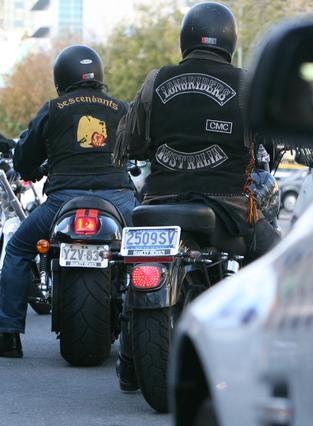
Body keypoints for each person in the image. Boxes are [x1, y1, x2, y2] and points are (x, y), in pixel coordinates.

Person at [113, 2, 281, 390]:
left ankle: (128, 361)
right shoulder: (246, 83)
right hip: (229, 207)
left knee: (132, 269)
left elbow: (130, 140)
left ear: (186, 37)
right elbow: (269, 142)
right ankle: (269, 358)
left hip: (160, 202)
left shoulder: (157, 80)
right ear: (229, 38)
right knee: (279, 264)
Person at [0, 45, 137, 358]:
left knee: (19, 249)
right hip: (118, 197)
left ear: (60, 77)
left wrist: (32, 169)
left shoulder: (54, 108)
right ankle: (153, 326)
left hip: (62, 201)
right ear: (99, 75)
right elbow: (141, 144)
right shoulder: (120, 108)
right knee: (151, 251)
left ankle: (8, 335)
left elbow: (25, 157)